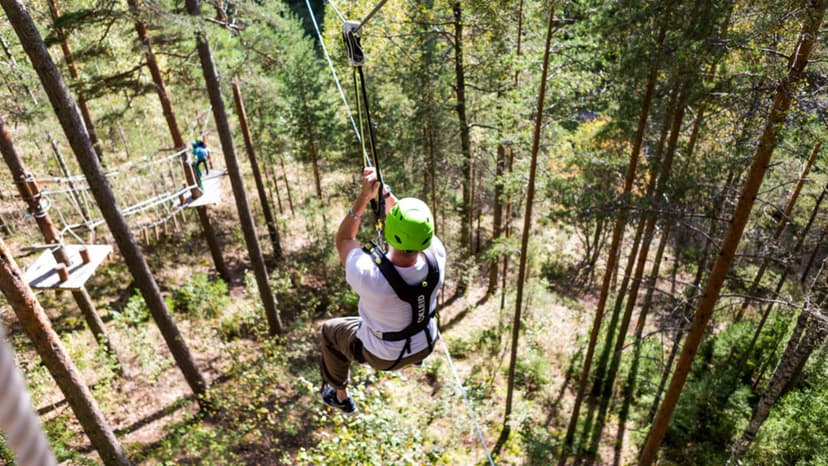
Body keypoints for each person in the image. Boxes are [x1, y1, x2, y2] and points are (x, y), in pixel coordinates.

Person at [319, 167, 446, 414]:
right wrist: (386, 195)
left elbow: (344, 239)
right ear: (427, 235)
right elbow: (412, 227)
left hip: (384, 357)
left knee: (330, 331)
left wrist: (365, 197)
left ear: (389, 230)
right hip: (426, 342)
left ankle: (338, 392)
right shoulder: (437, 254)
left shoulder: (370, 276)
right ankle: (416, 356)